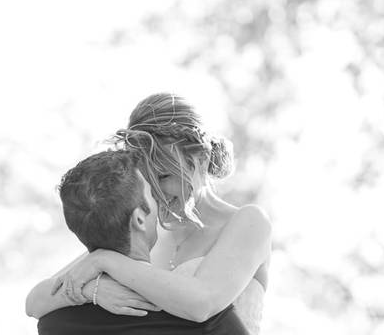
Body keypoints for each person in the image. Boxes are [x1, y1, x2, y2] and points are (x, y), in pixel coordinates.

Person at [27, 93, 270, 334]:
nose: (156, 192)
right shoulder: (144, 230)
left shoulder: (248, 222)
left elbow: (202, 304)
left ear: (202, 158)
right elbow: (36, 302)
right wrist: (94, 290)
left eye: (164, 176)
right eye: (147, 178)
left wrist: (105, 261)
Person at [33, 149, 249, 334]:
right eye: (152, 195)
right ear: (139, 219)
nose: (161, 201)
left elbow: (33, 304)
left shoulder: (52, 322)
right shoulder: (201, 317)